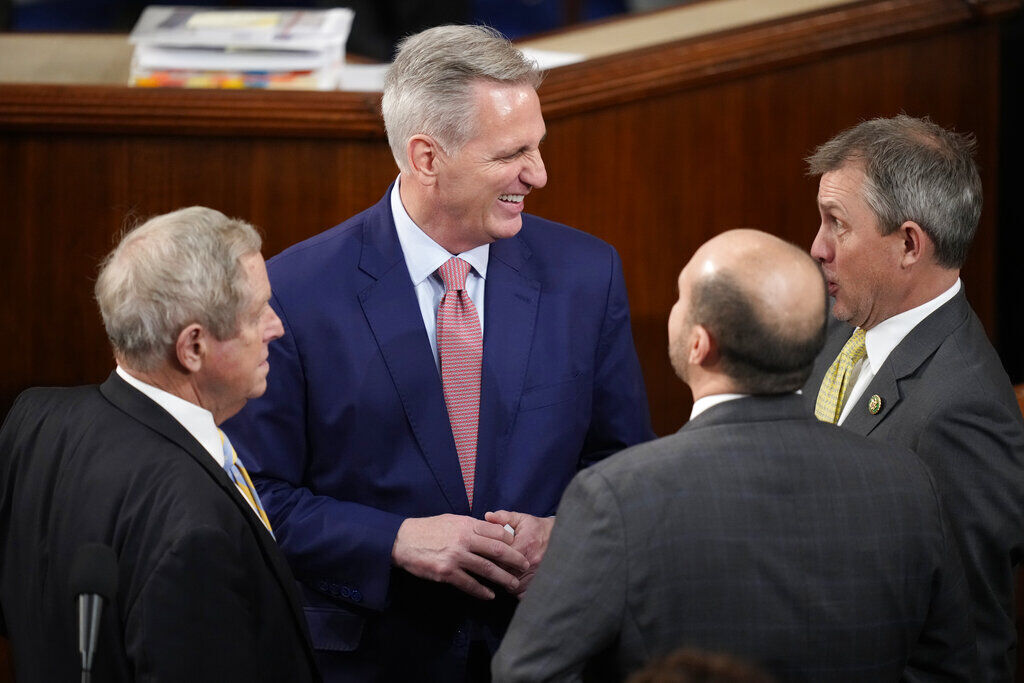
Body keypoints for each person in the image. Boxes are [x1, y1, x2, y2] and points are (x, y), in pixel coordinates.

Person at [222, 23, 653, 681]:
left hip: (546, 651)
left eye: (538, 146)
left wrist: (565, 530)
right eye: (511, 154)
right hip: (372, 658)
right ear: (426, 157)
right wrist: (392, 541)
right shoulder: (298, 291)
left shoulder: (586, 274)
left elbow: (623, 461)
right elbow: (256, 498)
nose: (538, 174)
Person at [492, 229, 977, 682]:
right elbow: (953, 664)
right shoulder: (908, 481)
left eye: (682, 298)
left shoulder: (617, 497)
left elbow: (525, 672)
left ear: (699, 344)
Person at [0, 207, 320, 682]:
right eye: (256, 315)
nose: (276, 327)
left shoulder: (34, 419)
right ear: (192, 348)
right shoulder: (198, 526)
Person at [804, 115, 1024, 681]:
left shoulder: (962, 414)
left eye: (837, 225)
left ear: (908, 244)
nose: (817, 248)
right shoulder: (840, 326)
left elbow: (970, 651)